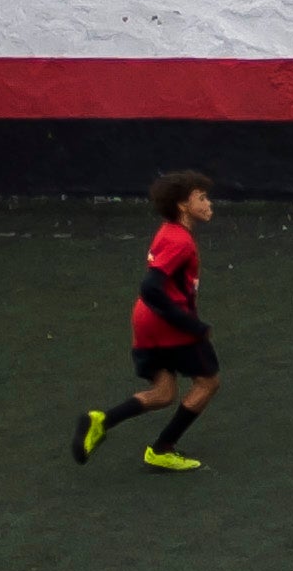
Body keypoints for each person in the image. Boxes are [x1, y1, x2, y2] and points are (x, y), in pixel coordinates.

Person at [75, 170, 223, 472]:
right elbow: (151, 287)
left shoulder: (166, 231)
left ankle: (102, 421)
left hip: (145, 321)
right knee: (208, 382)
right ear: (183, 205)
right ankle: (162, 449)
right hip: (169, 324)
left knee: (164, 393)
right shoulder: (181, 241)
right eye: (202, 198)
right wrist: (190, 325)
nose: (210, 204)